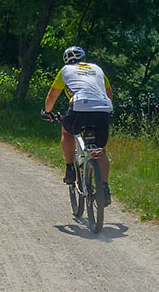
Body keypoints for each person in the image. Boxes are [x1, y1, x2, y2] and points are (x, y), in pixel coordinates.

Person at [42, 46, 113, 205]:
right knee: (100, 151)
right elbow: (109, 94)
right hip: (103, 109)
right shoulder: (97, 68)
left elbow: (52, 95)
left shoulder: (65, 70)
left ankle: (69, 169)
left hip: (79, 107)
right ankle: (104, 188)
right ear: (84, 59)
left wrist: (47, 112)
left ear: (66, 61)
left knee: (68, 132)